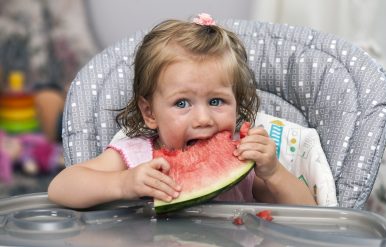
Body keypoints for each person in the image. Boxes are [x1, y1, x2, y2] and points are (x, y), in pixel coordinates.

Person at [48, 13, 316, 208]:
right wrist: (123, 183)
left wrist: (273, 172)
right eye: (182, 103)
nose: (202, 119)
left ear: (237, 102)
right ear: (150, 113)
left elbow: (310, 213)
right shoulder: (135, 154)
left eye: (216, 101)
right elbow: (60, 188)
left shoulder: (243, 159)